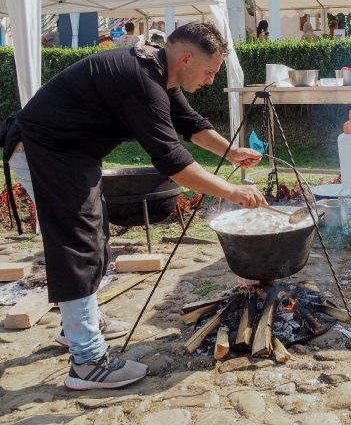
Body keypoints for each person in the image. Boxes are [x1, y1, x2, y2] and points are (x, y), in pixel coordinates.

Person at [1, 23, 266, 390]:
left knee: (94, 237)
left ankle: (78, 327)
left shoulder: (159, 70)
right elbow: (173, 162)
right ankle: (87, 362)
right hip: (42, 149)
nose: (209, 81)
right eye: (209, 72)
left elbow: (189, 123)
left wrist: (231, 152)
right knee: (78, 244)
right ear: (186, 58)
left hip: (71, 153)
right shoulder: (142, 82)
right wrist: (232, 192)